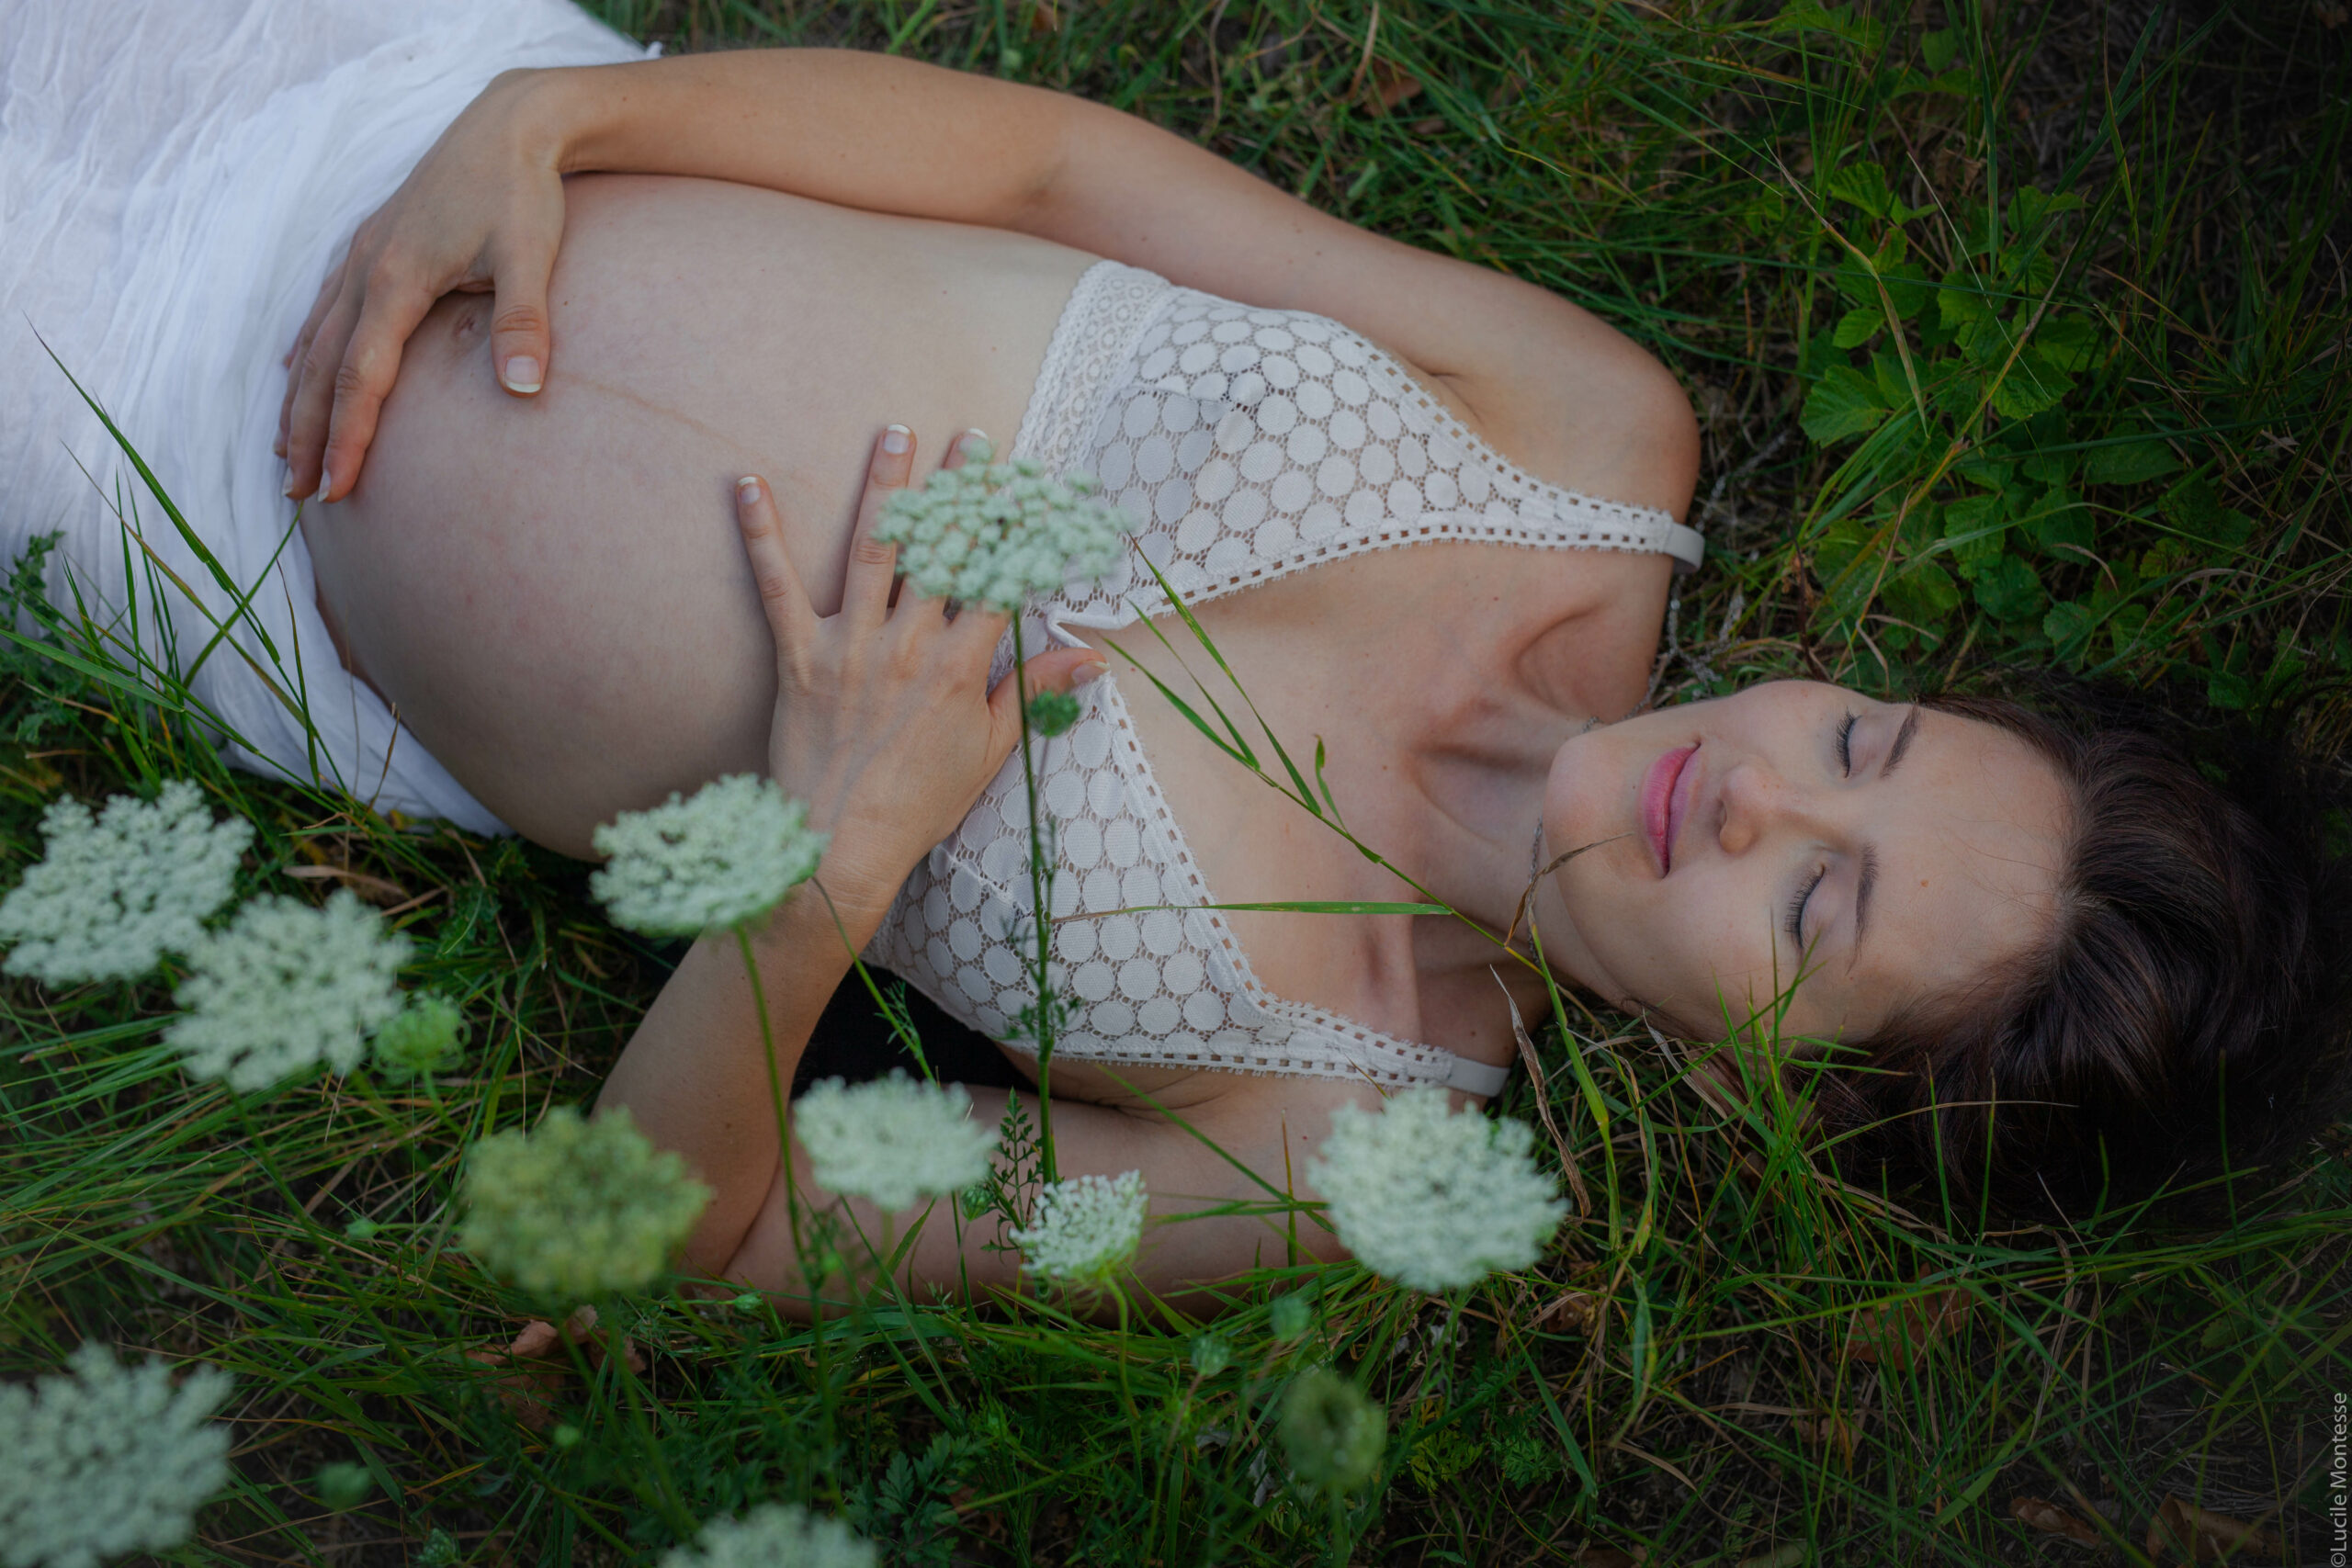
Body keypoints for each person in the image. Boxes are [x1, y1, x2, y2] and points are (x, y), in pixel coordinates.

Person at [6, 9, 2339, 1308]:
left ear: (1778, 1101)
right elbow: (1050, 176)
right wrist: (559, 113)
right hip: (406, 92)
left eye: (1814, 902)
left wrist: (829, 869)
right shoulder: (1582, 441)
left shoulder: (1322, 1146)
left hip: (197, 489)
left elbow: (673, 1236)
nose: (1753, 785)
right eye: (1859, 737)